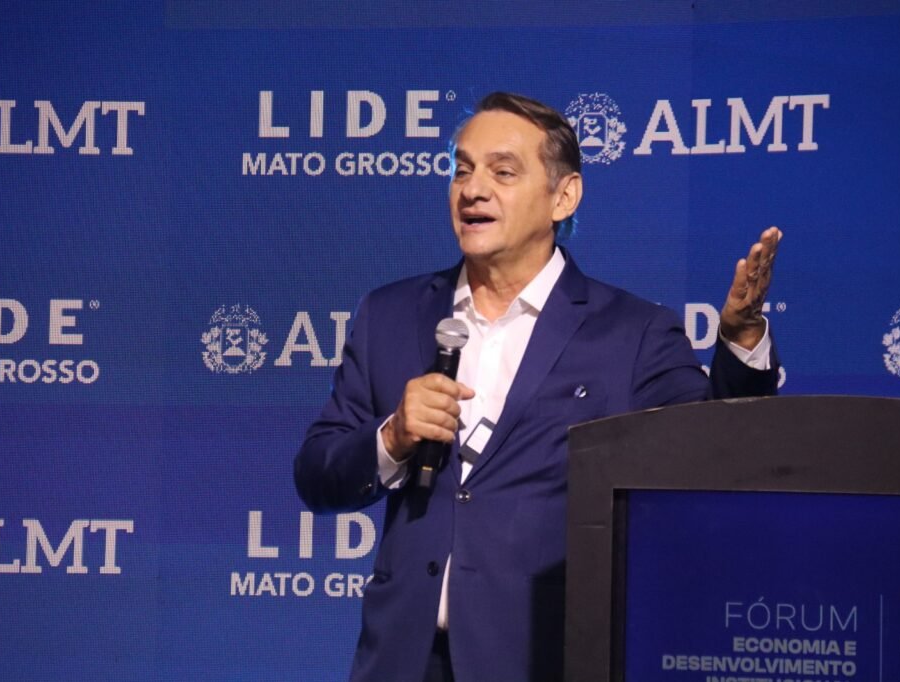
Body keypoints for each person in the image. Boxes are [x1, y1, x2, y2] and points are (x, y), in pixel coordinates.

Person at [295, 92, 781, 682]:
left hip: (542, 661)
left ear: (563, 196)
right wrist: (391, 437)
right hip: (401, 663)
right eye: (462, 170)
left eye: (502, 172)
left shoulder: (630, 332)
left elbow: (717, 454)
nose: (473, 190)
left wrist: (740, 340)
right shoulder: (390, 315)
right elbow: (317, 475)